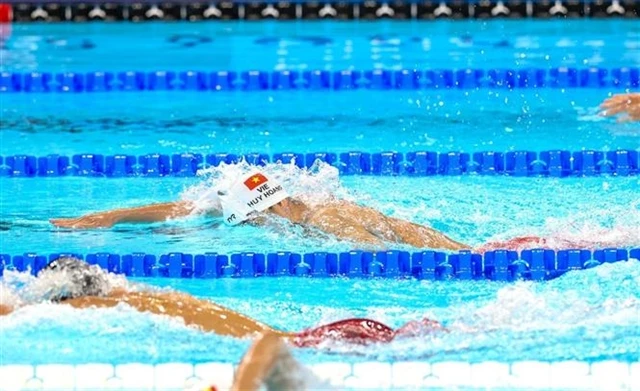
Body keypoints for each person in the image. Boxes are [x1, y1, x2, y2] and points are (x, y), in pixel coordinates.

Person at [0, 257, 444, 347]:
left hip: (319, 342)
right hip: (326, 332)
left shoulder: (85, 310)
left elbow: (16, 315)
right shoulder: (138, 295)